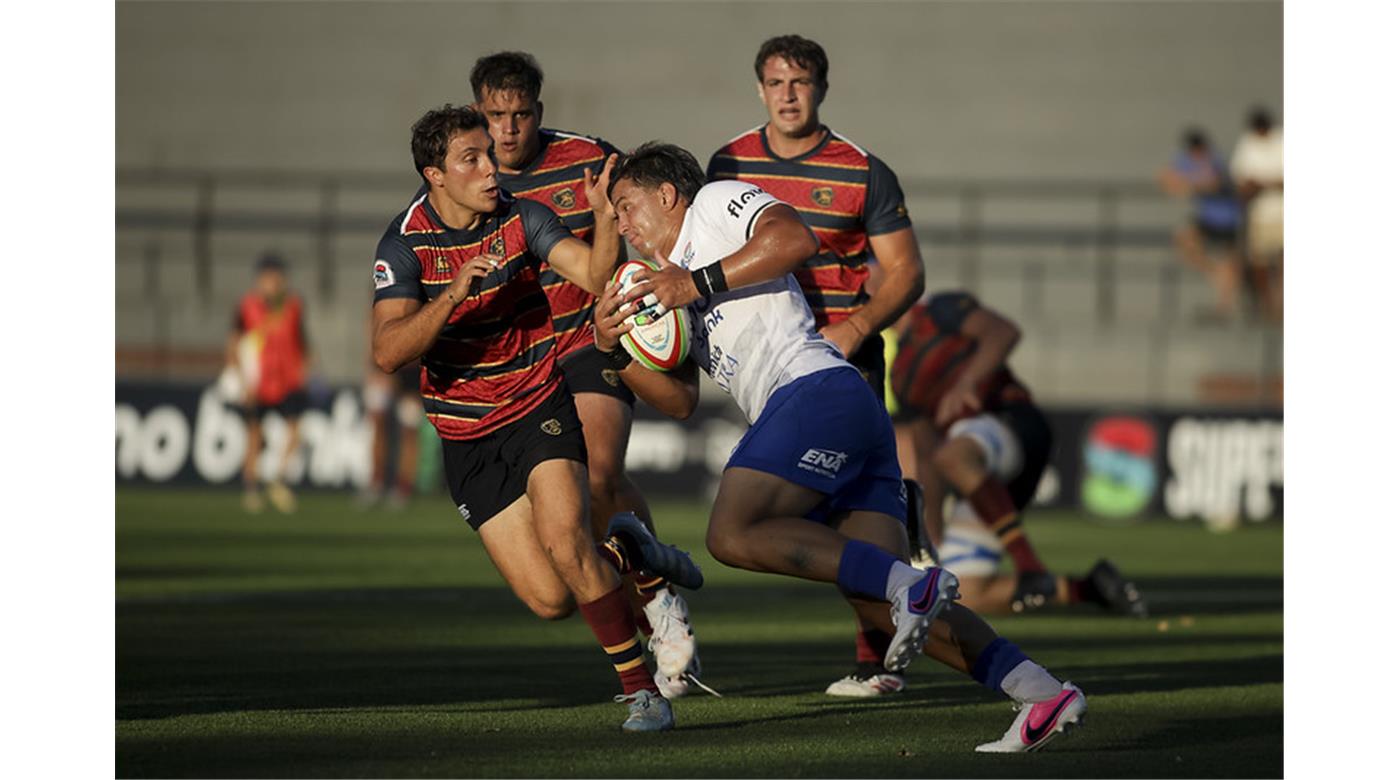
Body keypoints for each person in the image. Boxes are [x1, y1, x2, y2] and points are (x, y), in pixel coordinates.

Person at [599, 142, 1086, 752]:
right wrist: (615, 350)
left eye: (625, 205)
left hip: (816, 390)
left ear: (667, 195)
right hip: (842, 414)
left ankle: (913, 586)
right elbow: (679, 403)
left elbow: (795, 239)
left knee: (731, 533)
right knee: (881, 603)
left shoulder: (713, 207)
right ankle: (1041, 692)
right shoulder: (672, 288)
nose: (620, 224)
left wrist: (692, 283)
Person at [370, 105, 702, 732]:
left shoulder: (522, 217)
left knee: (568, 544)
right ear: (434, 175)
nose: (491, 168)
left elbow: (594, 273)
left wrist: (605, 219)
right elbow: (388, 352)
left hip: (538, 404)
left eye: (489, 155)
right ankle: (628, 551)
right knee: (552, 600)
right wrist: (451, 295)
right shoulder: (403, 245)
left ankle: (643, 694)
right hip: (467, 436)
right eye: (472, 159)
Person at [467, 51, 700, 698]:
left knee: (599, 474)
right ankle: (643, 579)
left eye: (520, 114)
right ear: (479, 115)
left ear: (539, 111)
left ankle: (660, 606)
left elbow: (650, 214)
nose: (508, 129)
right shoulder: (468, 182)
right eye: (495, 116)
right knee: (558, 565)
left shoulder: (589, 159)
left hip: (591, 339)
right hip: (518, 370)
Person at [706, 33, 929, 701]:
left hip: (845, 363)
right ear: (759, 89)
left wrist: (856, 324)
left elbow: (907, 272)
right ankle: (900, 565)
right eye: (776, 82)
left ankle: (877, 658)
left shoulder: (862, 170)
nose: (788, 94)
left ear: (822, 88)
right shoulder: (729, 162)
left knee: (841, 510)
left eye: (800, 82)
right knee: (835, 514)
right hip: (775, 365)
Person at [889, 291, 1148, 620]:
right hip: (982, 471)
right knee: (963, 595)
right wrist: (931, 536)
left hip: (1010, 421)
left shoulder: (940, 311)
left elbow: (1003, 332)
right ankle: (1089, 588)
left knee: (954, 456)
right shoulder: (900, 375)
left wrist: (967, 381)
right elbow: (926, 458)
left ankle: (1030, 566)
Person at [227, 253, 309, 514]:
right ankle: (251, 488)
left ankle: (279, 479)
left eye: (277, 278)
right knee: (254, 436)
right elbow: (235, 343)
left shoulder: (293, 306)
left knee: (295, 431)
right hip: (258, 382)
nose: (273, 283)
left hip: (287, 380)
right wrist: (241, 379)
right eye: (268, 278)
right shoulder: (247, 306)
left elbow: (302, 342)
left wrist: (304, 371)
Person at [1156, 128, 1243, 320]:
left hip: (1228, 219)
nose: (1197, 153)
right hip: (1207, 218)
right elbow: (1165, 178)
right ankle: (1214, 272)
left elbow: (1214, 183)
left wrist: (1188, 185)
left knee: (1230, 263)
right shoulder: (1187, 159)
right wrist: (1185, 184)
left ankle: (1224, 306)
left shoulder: (1216, 160)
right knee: (1184, 240)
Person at [1230, 106, 1283, 321]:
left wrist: (1262, 183)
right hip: (1260, 215)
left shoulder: (1283, 141)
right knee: (1258, 261)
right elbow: (1242, 183)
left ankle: (1281, 305)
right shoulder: (1248, 144)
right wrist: (1270, 183)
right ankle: (1268, 305)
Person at [361, 361, 421, 508]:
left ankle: (403, 487)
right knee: (378, 426)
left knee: (409, 433)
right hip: (385, 365)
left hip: (412, 370)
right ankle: (377, 482)